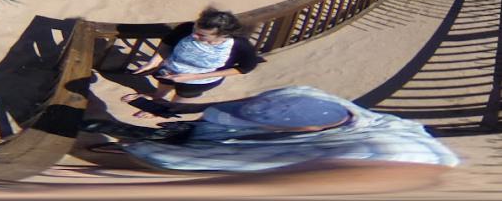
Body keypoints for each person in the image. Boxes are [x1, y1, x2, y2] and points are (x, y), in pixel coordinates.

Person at [89, 85, 459, 173]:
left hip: (214, 141)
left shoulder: (321, 115)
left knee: (151, 141)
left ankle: (104, 141)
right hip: (211, 138)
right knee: (150, 140)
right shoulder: (306, 104)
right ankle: (103, 140)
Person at [125, 8, 259, 117]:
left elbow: (246, 67)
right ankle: (156, 99)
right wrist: (154, 61)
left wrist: (193, 77)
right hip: (169, 69)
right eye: (195, 30)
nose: (194, 35)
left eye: (202, 35)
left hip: (199, 81)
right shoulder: (187, 28)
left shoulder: (239, 45)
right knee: (162, 86)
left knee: (180, 99)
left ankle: (161, 111)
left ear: (222, 36)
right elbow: (168, 42)